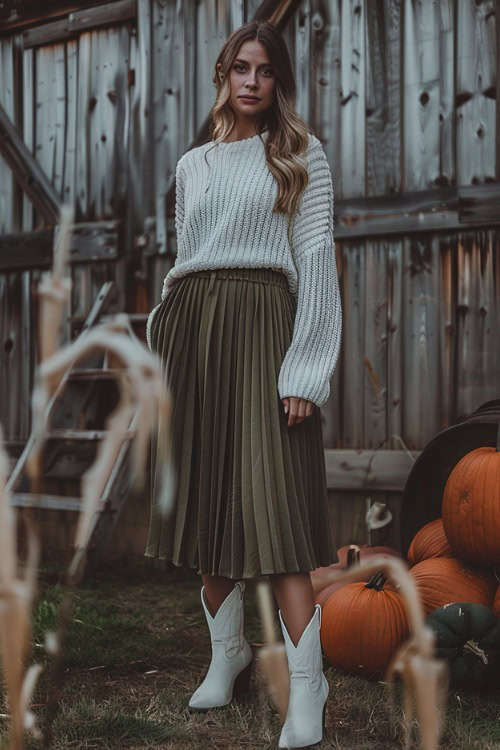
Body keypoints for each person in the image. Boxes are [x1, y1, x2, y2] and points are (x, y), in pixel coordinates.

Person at [145, 19, 342, 749]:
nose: (251, 81)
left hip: (267, 328)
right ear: (225, 75)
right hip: (196, 334)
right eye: (239, 68)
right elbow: (182, 260)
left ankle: (307, 685)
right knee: (207, 498)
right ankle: (227, 655)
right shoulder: (193, 165)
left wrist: (306, 371)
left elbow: (317, 261)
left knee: (278, 512)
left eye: (263, 69)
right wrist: (162, 341)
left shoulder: (299, 153)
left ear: (277, 78)